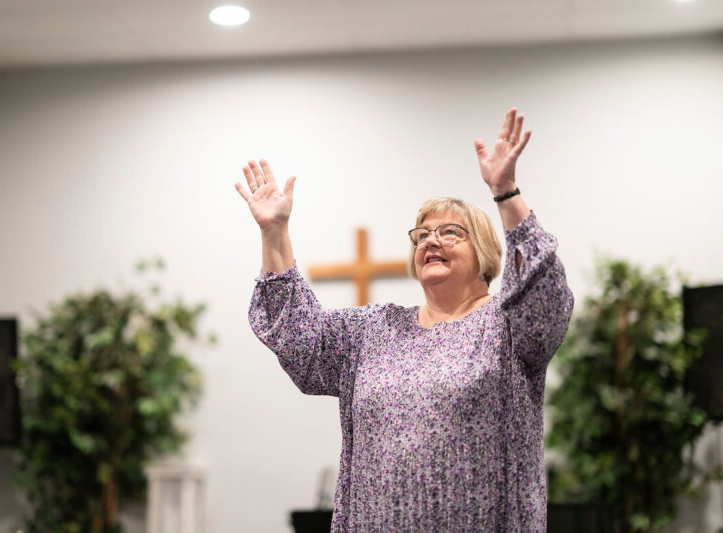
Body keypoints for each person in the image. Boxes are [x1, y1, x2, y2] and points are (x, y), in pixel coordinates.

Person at [234, 108, 573, 532]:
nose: (432, 239)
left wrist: (505, 192)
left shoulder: (507, 326)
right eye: (423, 234)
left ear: (485, 252)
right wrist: (274, 232)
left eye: (451, 232)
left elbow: (545, 296)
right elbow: (301, 339)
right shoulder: (373, 332)